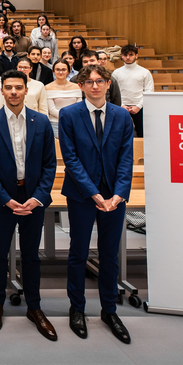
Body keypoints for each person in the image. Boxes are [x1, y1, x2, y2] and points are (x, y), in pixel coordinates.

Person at [0, 69, 58, 340]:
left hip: (34, 197)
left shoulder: (42, 121)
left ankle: (34, 307)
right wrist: (6, 198)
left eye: (18, 87)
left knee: (31, 256)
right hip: (4, 199)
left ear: (27, 90)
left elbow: (50, 165)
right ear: (2, 90)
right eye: (9, 87)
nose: (13, 92)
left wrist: (37, 198)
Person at [59, 64, 135, 344]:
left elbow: (127, 157)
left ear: (108, 84)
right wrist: (94, 194)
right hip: (82, 195)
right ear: (80, 86)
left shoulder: (122, 116)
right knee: (78, 253)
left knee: (109, 256)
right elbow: (71, 160)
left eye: (100, 81)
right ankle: (76, 308)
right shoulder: (69, 115)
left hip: (114, 196)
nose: (94, 86)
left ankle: (109, 310)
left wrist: (118, 194)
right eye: (88, 81)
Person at [109, 45, 153, 138]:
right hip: (121, 107)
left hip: (140, 108)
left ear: (136, 56)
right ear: (121, 56)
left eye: (131, 55)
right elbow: (114, 91)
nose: (128, 57)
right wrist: (121, 105)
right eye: (125, 55)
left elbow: (149, 91)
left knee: (142, 134)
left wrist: (139, 106)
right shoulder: (116, 72)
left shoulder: (145, 72)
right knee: (119, 134)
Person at [45, 60, 81, 134]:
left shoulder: (77, 87)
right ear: (53, 71)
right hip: (55, 124)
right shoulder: (47, 87)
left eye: (63, 70)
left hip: (75, 122)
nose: (60, 72)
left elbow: (79, 107)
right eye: (58, 70)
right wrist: (67, 118)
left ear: (68, 71)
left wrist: (71, 119)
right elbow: (52, 110)